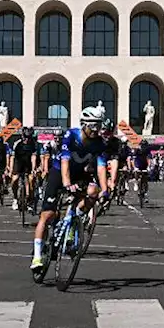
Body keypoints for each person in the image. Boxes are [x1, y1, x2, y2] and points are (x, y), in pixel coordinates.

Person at [30, 106, 111, 271]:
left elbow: (102, 167)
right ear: (84, 125)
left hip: (80, 174)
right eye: (93, 126)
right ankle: (37, 256)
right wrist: (67, 184)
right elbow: (65, 161)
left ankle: (73, 221)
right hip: (60, 173)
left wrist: (105, 190)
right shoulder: (71, 135)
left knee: (93, 192)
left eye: (99, 125)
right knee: (48, 215)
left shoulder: (99, 144)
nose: (97, 130)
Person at [9, 128, 39, 211]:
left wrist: (33, 168)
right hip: (19, 162)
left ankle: (30, 201)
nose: (27, 139)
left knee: (31, 179)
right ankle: (15, 198)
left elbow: (33, 157)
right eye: (25, 137)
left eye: (29, 137)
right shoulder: (17, 144)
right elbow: (12, 157)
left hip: (28, 163)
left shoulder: (33, 145)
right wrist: (11, 170)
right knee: (15, 180)